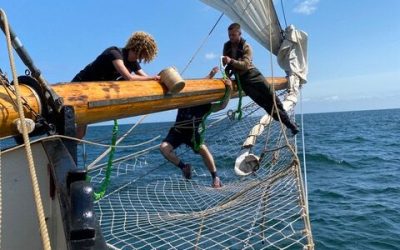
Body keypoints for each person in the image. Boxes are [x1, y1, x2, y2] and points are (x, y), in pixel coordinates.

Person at [72, 31, 160, 138]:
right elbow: (130, 78)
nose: (141, 59)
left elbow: (145, 77)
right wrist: (153, 77)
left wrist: (158, 79)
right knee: (67, 121)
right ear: (139, 49)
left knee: (80, 134)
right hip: (79, 86)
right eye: (142, 55)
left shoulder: (132, 62)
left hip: (92, 93)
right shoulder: (114, 53)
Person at [160, 67, 232, 188]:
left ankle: (215, 177)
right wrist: (210, 74)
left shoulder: (205, 106)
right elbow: (197, 84)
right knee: (163, 148)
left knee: (203, 149)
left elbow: (222, 105)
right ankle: (184, 167)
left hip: (192, 134)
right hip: (177, 132)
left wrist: (229, 89)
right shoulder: (185, 97)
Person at [222, 23, 299, 135]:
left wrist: (231, 61)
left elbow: (245, 65)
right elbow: (226, 65)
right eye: (229, 35)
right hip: (243, 81)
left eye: (233, 35)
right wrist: (226, 74)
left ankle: (289, 124)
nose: (231, 37)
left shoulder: (246, 46)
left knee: (272, 97)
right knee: (264, 104)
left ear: (239, 33)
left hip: (253, 75)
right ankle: (289, 124)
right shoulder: (226, 46)